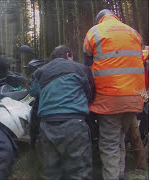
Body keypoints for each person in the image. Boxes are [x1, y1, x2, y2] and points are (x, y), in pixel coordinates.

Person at [83, 9, 145, 179]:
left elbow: (87, 68)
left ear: (99, 20)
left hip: (109, 99)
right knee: (120, 137)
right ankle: (120, 173)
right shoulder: (133, 32)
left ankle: (112, 176)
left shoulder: (94, 32)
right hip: (134, 98)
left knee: (109, 143)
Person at [28, 45, 94, 180]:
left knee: (50, 173)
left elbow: (33, 92)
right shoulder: (82, 69)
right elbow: (90, 94)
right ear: (69, 55)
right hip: (75, 124)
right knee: (79, 172)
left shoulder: (41, 71)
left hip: (47, 127)